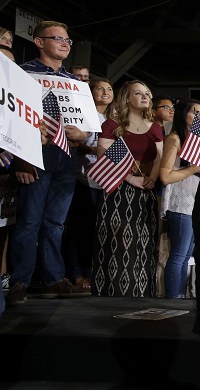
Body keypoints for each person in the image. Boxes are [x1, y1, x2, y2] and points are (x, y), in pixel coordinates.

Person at [6, 21, 91, 306]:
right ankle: (20, 281)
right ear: (39, 42)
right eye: (58, 38)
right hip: (34, 155)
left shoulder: (74, 82)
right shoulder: (22, 73)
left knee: (55, 223)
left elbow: (86, 124)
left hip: (66, 156)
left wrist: (85, 134)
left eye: (68, 40)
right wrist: (20, 157)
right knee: (29, 221)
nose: (66, 44)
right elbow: (10, 118)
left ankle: (54, 279)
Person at [93, 80, 163, 297]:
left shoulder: (156, 128)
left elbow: (161, 158)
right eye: (138, 93)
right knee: (117, 242)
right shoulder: (112, 125)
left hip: (147, 192)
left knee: (143, 243)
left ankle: (141, 291)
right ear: (127, 98)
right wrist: (129, 178)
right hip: (118, 190)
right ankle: (112, 292)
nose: (145, 96)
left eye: (147, 93)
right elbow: (102, 156)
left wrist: (151, 178)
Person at [63, 77, 114, 291]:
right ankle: (76, 272)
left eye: (109, 89)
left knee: (96, 230)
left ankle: (91, 271)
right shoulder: (82, 113)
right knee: (78, 228)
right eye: (100, 88)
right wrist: (98, 150)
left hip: (104, 182)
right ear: (90, 92)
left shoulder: (114, 119)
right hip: (82, 178)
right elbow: (74, 143)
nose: (105, 92)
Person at [159, 100, 200, 299]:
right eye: (194, 112)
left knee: (186, 256)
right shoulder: (174, 138)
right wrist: (194, 169)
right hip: (180, 202)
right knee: (179, 255)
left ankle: (179, 296)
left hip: (194, 202)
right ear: (182, 114)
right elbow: (165, 176)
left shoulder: (196, 140)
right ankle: (173, 299)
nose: (199, 117)